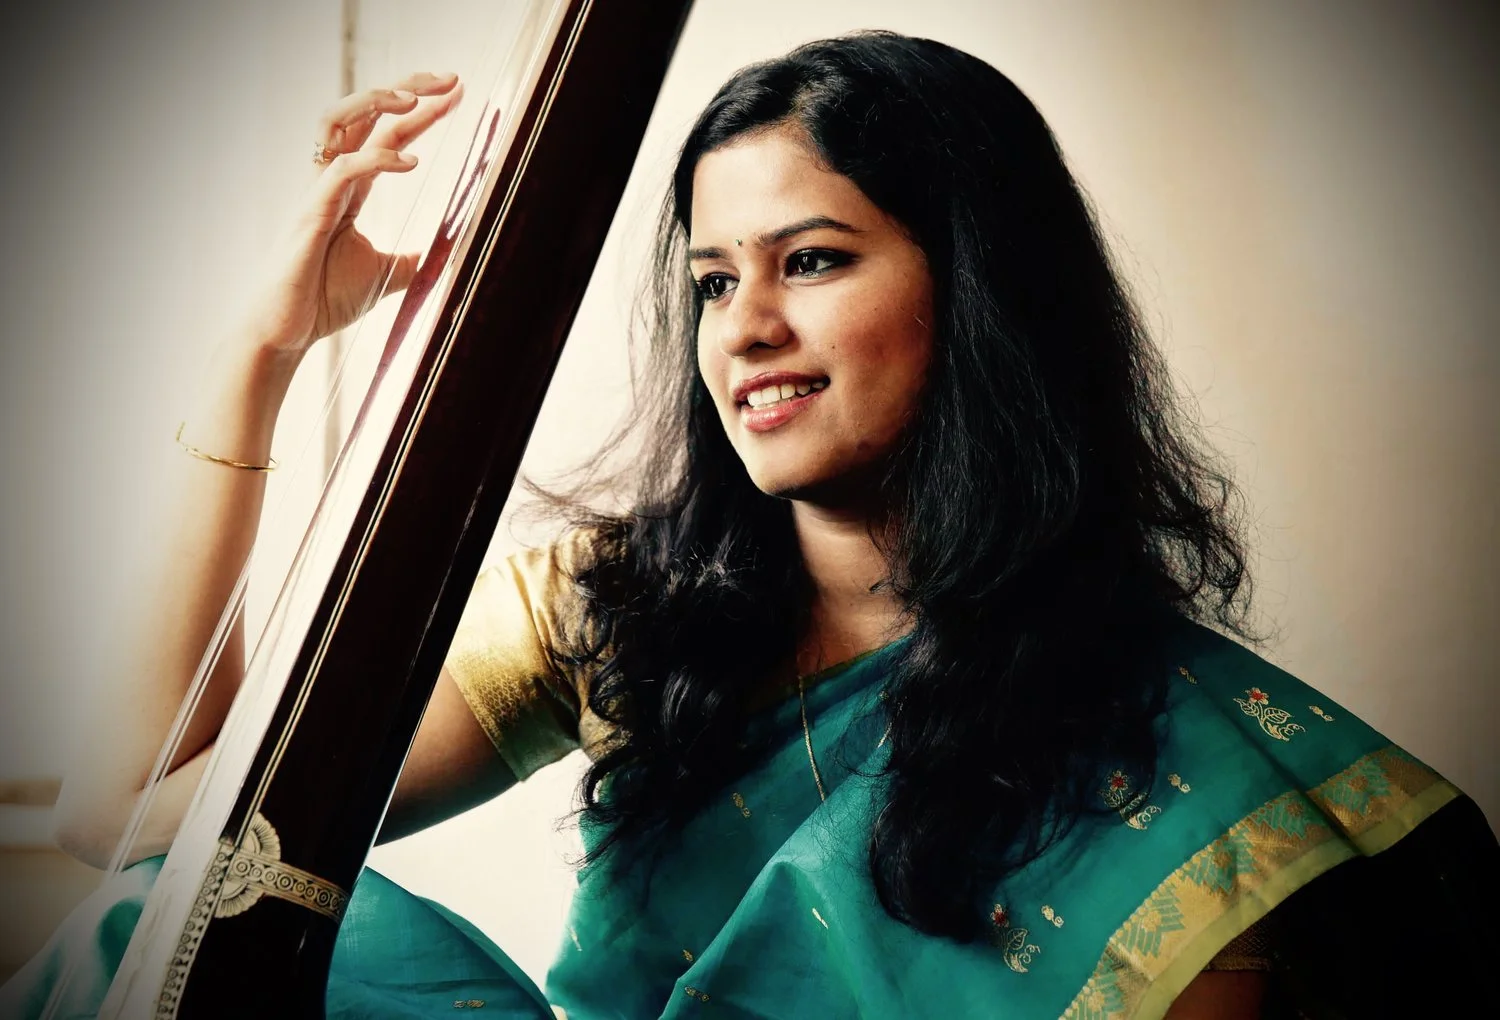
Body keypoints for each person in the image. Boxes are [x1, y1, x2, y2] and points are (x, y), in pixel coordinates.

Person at [3, 31, 1494, 1020]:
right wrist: (264, 357)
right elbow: (142, 822)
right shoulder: (637, 611)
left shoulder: (1188, 772)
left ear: (980, 292)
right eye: (714, 280)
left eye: (816, 259)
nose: (749, 329)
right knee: (202, 912)